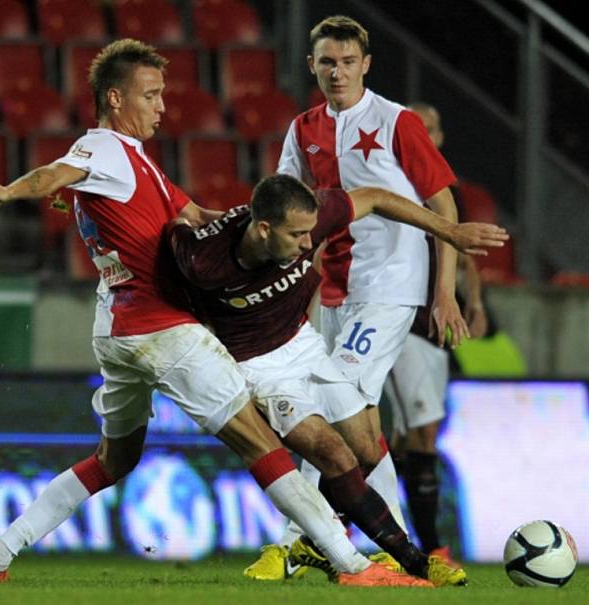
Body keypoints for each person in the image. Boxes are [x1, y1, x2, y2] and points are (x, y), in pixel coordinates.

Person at [0, 38, 432, 589]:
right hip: (163, 330)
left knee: (114, 460)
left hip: (115, 330)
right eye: (151, 95)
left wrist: (253, 230)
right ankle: (354, 567)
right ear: (115, 98)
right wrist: (12, 189)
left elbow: (198, 216)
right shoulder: (105, 149)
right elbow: (55, 174)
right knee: (261, 442)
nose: (162, 107)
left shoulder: (139, 165)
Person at [169, 174, 507, 585]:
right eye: (296, 236)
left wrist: (450, 231)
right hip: (260, 369)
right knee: (334, 455)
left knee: (367, 452)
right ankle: (416, 562)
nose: (308, 244)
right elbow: (162, 233)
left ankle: (311, 544)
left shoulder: (312, 216)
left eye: (310, 232)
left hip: (306, 345)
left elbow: (379, 197)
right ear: (263, 229)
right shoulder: (202, 259)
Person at [247, 15, 468, 580]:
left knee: (330, 400)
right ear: (312, 66)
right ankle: (406, 556)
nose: (337, 72)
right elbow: (285, 211)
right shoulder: (302, 129)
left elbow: (444, 207)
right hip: (333, 291)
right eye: (327, 62)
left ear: (366, 64)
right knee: (353, 422)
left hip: (391, 287)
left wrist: (444, 292)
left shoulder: (398, 122)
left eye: (348, 62)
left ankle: (301, 540)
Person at [383, 102, 489, 561]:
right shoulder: (389, 184)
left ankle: (372, 523)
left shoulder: (447, 190)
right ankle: (431, 547)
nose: (424, 135)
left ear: (440, 138)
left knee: (410, 437)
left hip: (437, 326)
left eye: (431, 128)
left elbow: (461, 250)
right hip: (401, 318)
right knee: (423, 431)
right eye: (416, 128)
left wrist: (476, 301)